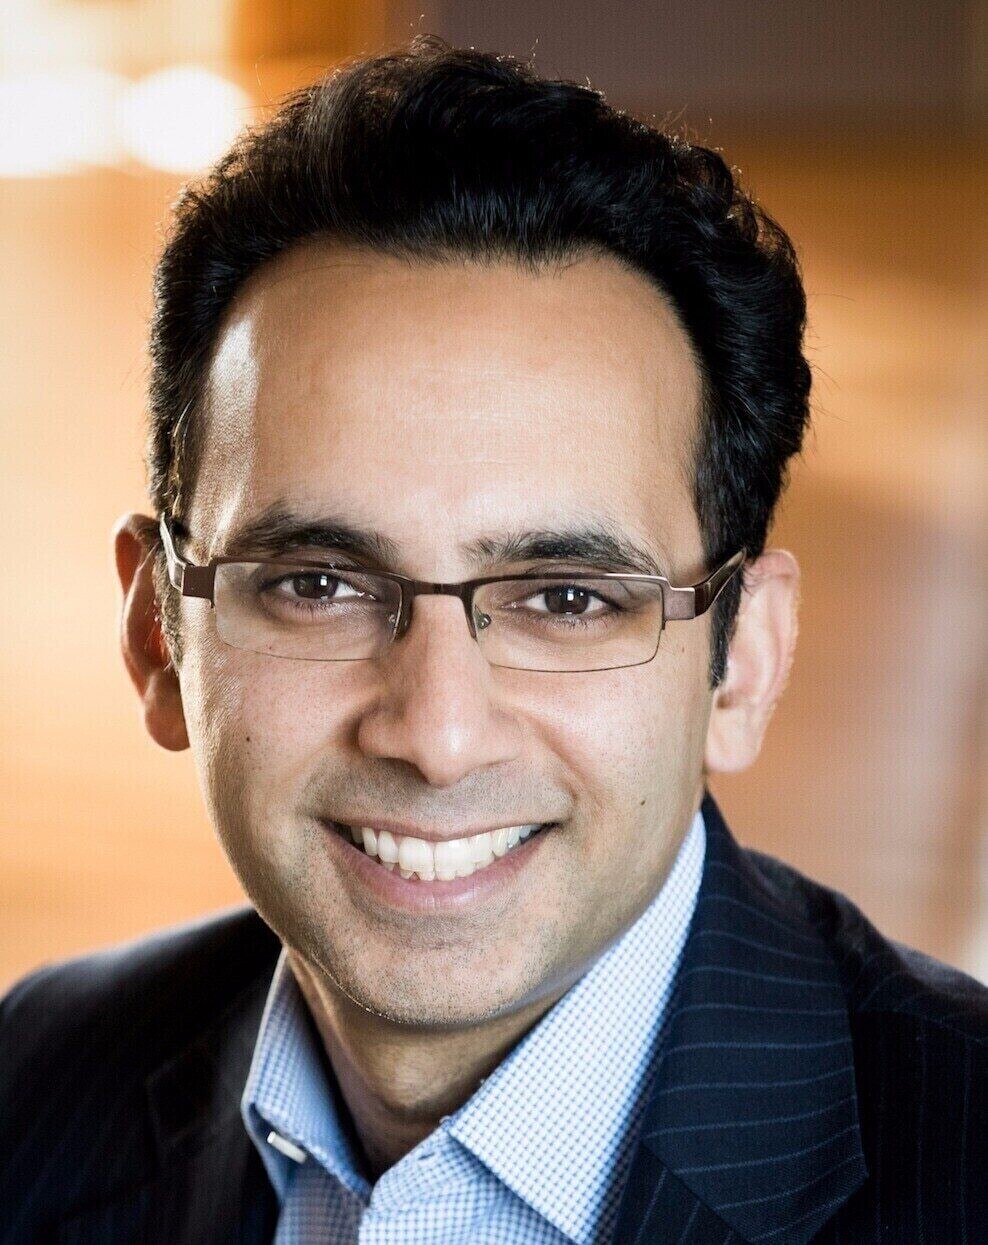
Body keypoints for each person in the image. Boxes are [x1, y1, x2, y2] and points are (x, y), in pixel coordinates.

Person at [1, 34, 984, 1245]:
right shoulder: (37, 1084)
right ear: (159, 634)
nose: (438, 734)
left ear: (743, 660)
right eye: (317, 583)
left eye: (565, 599)